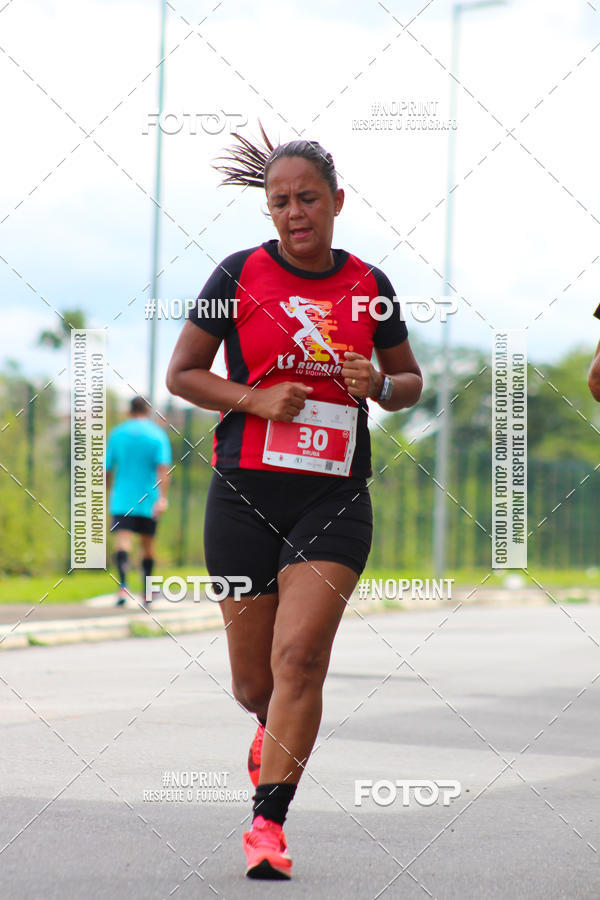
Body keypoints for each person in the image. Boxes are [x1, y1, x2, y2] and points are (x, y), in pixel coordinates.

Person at [166, 127, 423, 880]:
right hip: (244, 491)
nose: (293, 212)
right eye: (279, 201)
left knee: (300, 657)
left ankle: (267, 826)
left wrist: (378, 385)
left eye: (308, 198)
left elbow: (410, 384)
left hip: (335, 494)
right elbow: (183, 373)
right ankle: (268, 724)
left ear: (337, 202)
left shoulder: (370, 284)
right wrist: (252, 396)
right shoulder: (238, 274)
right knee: (256, 682)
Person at [106, 395, 172, 607]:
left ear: (129, 410)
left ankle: (123, 587)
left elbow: (106, 468)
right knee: (147, 545)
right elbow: (163, 469)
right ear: (147, 411)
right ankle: (147, 592)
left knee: (122, 541)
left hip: (122, 498)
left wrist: (110, 490)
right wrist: (162, 498)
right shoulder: (157, 435)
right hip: (148, 498)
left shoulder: (117, 434)